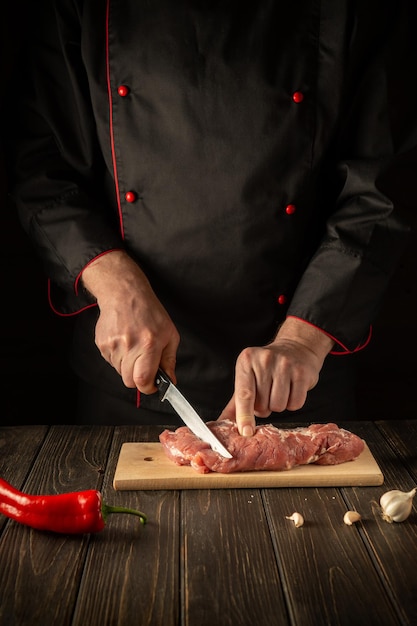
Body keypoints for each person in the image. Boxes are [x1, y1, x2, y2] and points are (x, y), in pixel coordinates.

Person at [7, 0, 412, 432]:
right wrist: (113, 282)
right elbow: (39, 164)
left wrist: (301, 341)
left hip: (298, 383)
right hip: (132, 383)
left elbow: (381, 186)